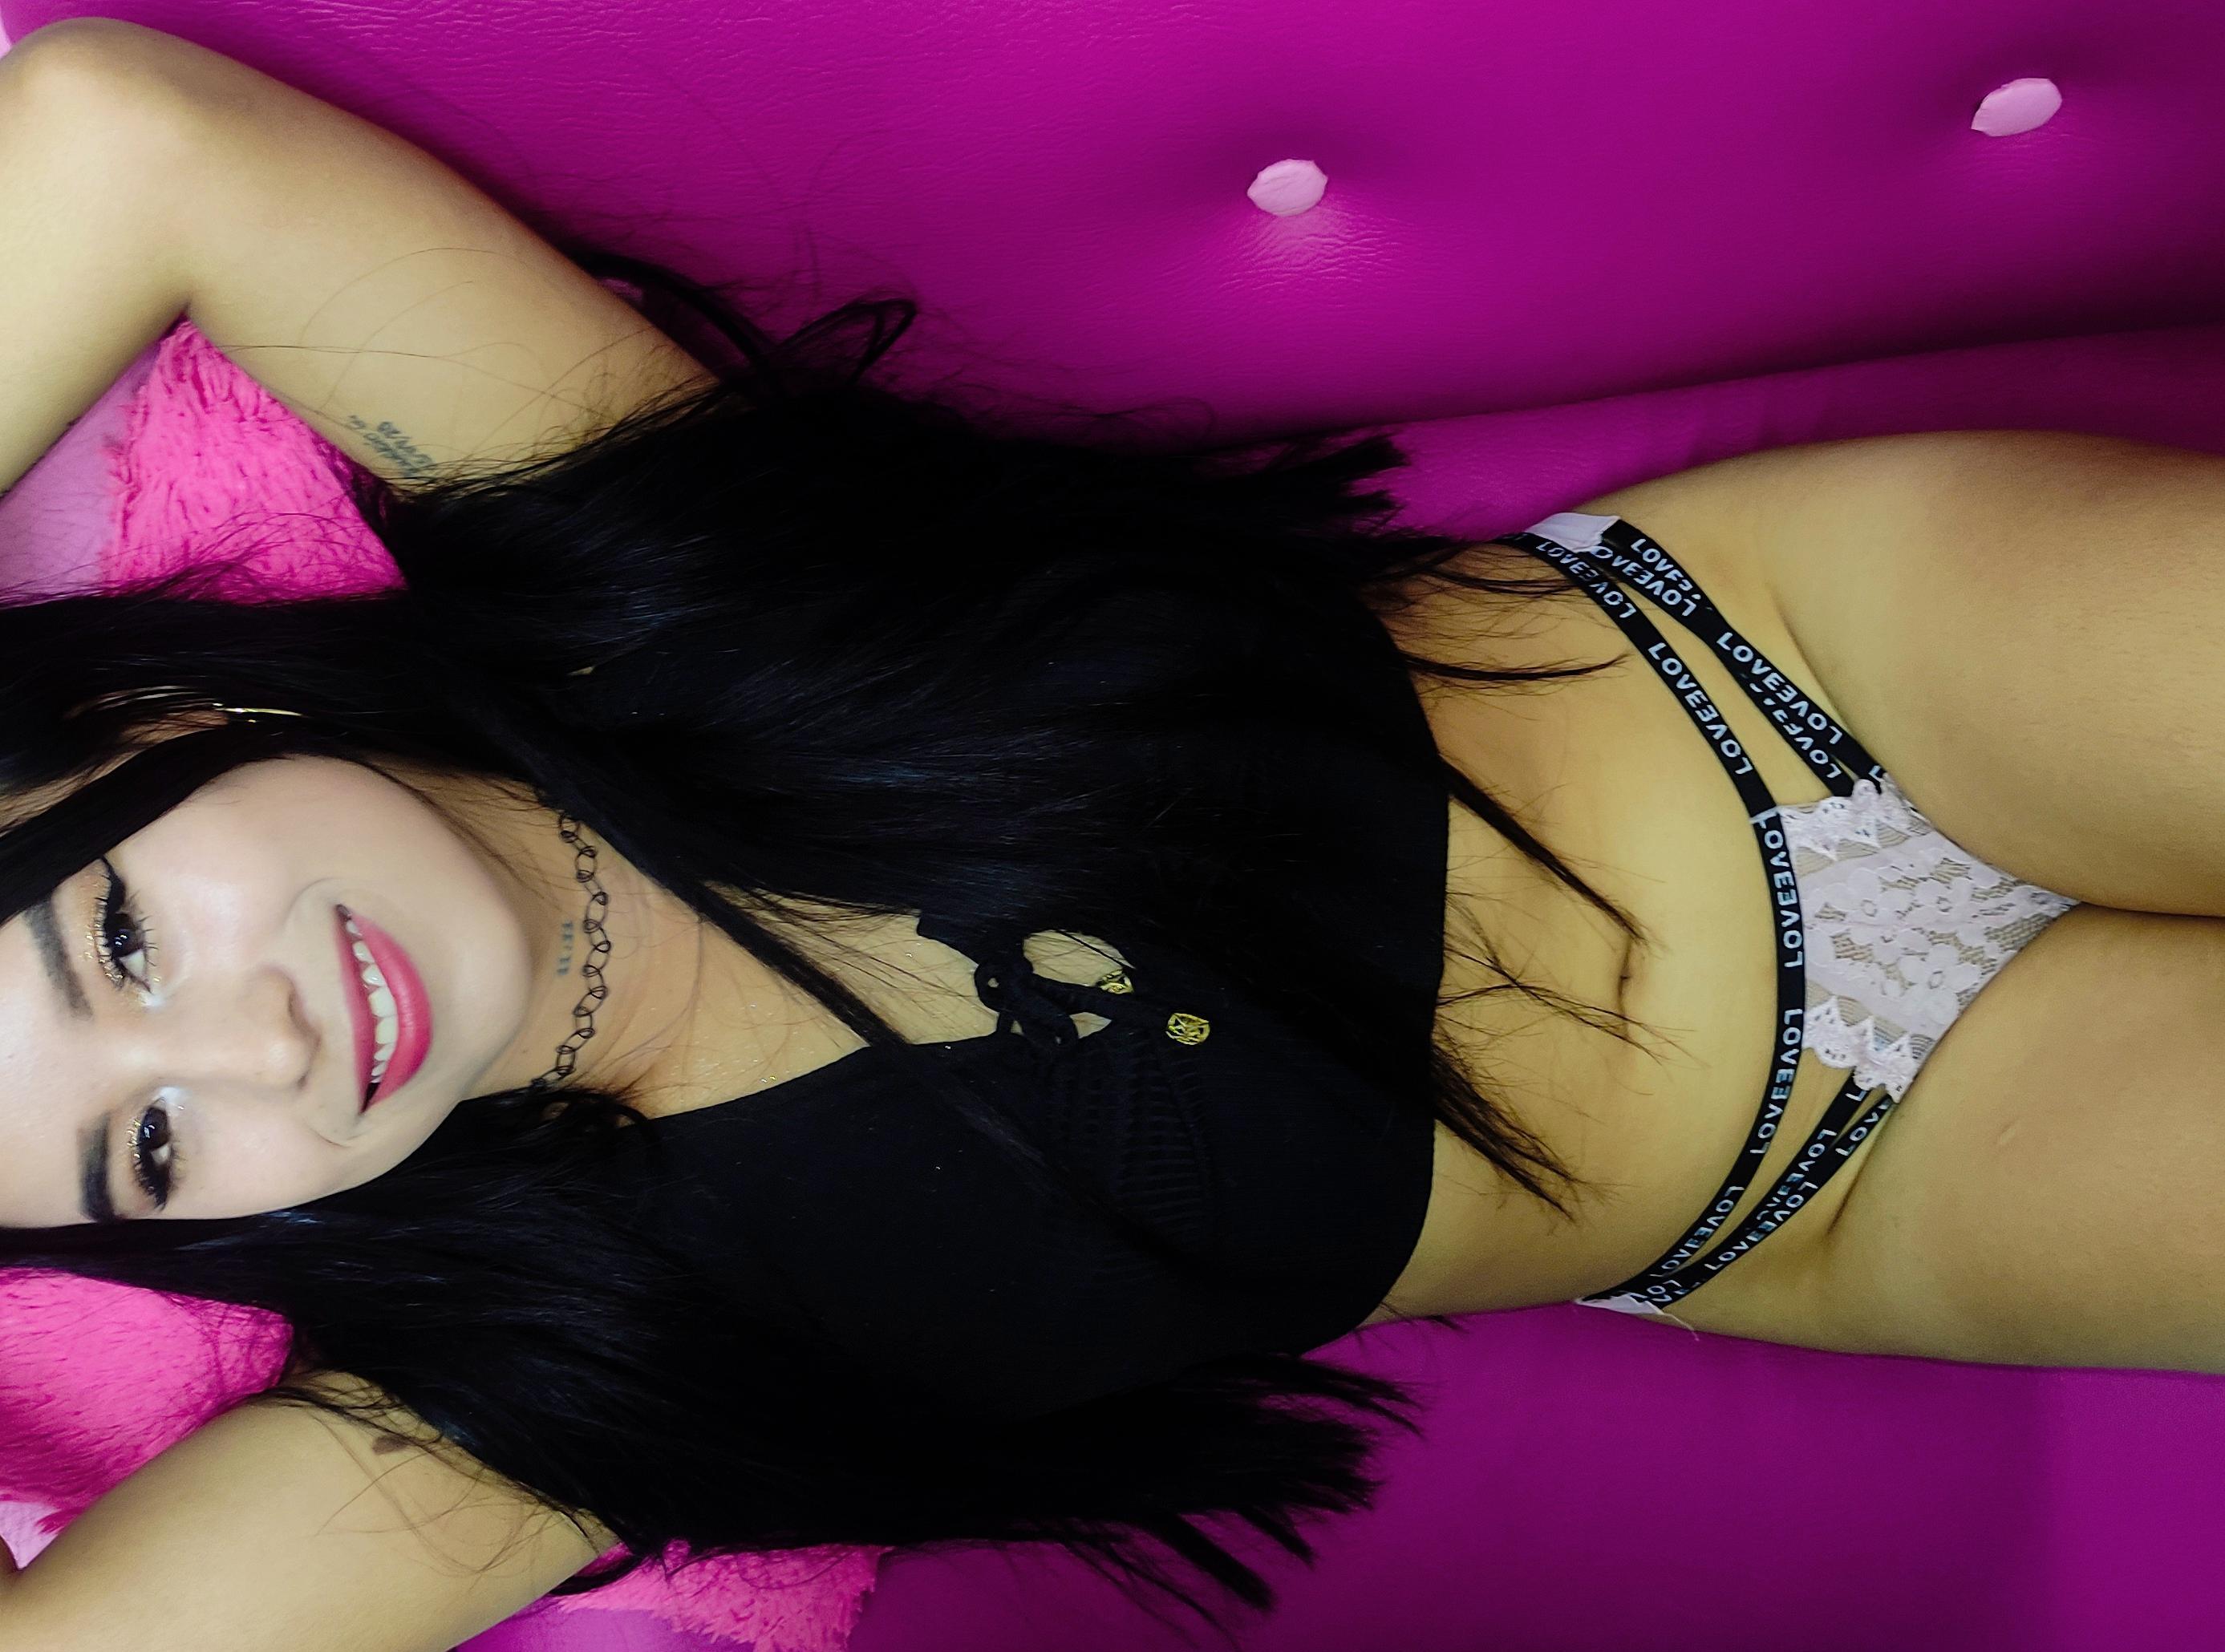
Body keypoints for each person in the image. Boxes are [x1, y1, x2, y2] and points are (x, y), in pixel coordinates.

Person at [10, 18, 2225, 1652]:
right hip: (1848, 1184)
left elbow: (118, 139)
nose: (259, 1051)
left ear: (153, 716)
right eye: (152, 1148)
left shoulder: (616, 536)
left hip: (1808, 670)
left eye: (116, 946)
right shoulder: (549, 1382)